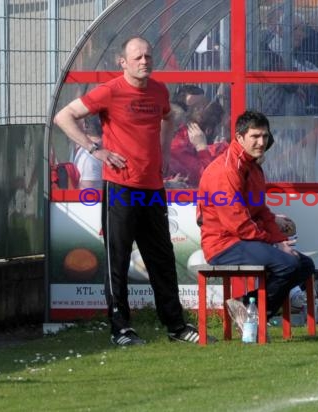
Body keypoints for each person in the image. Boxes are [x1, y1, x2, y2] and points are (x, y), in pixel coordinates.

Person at [54, 36, 212, 346]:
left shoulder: (158, 91)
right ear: (122, 62)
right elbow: (64, 117)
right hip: (120, 188)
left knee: (162, 259)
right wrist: (94, 149)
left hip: (152, 188)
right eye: (137, 57)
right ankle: (121, 328)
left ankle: (176, 326)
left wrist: (164, 151)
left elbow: (169, 117)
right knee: (119, 260)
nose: (144, 61)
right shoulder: (111, 90)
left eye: (148, 57)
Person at [196, 110, 315, 331]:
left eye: (265, 136)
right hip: (223, 245)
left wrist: (281, 241)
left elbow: (262, 212)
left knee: (305, 264)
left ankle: (248, 308)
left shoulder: (252, 167)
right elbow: (238, 224)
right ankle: (253, 314)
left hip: (242, 240)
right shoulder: (225, 171)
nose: (262, 142)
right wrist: (274, 243)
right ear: (239, 137)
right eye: (255, 136)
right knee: (288, 264)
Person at [167, 100, 225, 187]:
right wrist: (201, 147)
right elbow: (206, 178)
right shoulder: (178, 147)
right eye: (219, 129)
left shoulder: (182, 143)